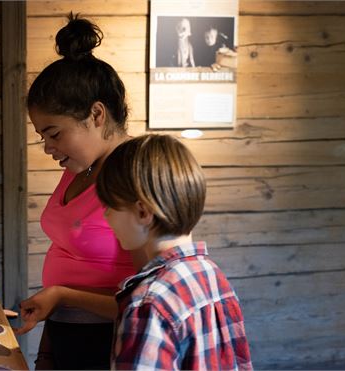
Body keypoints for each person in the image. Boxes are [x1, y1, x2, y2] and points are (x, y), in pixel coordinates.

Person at [13, 13, 136, 370]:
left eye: (55, 134)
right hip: (67, 337)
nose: (49, 147)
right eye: (43, 137)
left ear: (97, 115)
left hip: (112, 345)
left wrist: (63, 296)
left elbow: (150, 299)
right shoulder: (81, 166)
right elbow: (65, 258)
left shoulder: (135, 173)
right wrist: (47, 352)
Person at [95, 134, 253, 370]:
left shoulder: (148, 303)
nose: (106, 217)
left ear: (142, 212)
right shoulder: (212, 275)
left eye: (110, 207)